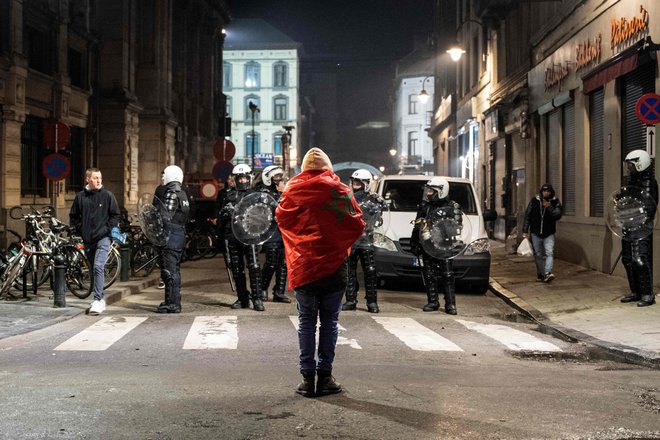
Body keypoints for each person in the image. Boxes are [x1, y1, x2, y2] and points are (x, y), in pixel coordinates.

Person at [276, 147, 364, 397]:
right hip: (334, 267)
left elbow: (281, 219)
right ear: (328, 167)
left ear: (304, 168)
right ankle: (325, 376)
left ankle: (307, 378)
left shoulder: (292, 190)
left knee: (306, 322)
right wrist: (335, 240)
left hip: (304, 266)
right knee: (329, 322)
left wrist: (302, 241)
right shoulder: (339, 190)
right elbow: (356, 222)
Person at [69, 168, 121, 315]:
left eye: (100, 178)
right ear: (88, 179)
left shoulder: (107, 196)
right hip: (88, 239)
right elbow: (74, 216)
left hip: (103, 238)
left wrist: (107, 230)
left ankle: (97, 300)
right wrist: (81, 230)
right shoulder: (80, 197)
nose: (99, 180)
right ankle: (101, 299)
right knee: (93, 268)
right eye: (95, 178)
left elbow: (115, 215)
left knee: (98, 266)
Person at [410, 177, 462, 315]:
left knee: (447, 275)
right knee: (429, 274)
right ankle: (433, 301)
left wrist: (443, 229)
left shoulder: (452, 207)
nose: (428, 193)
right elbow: (417, 225)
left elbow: (457, 228)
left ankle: (450, 304)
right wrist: (414, 241)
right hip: (428, 246)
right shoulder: (425, 207)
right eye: (428, 190)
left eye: (431, 191)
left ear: (441, 191)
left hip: (444, 246)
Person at [218, 164, 265, 311]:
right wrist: (225, 213)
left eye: (245, 177)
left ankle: (257, 299)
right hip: (233, 235)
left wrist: (238, 212)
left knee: (254, 266)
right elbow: (221, 217)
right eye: (240, 177)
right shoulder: (229, 194)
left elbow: (260, 216)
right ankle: (243, 298)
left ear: (249, 177)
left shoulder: (255, 194)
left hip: (250, 235)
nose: (243, 180)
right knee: (236, 268)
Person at [342, 169, 385, 313]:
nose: (355, 185)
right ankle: (350, 300)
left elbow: (379, 218)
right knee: (349, 271)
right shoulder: (348, 198)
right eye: (354, 182)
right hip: (351, 240)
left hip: (367, 240)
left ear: (366, 184)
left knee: (370, 271)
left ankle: (372, 302)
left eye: (358, 182)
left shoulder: (374, 199)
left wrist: (379, 204)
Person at [620, 150, 658, 307]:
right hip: (630, 224)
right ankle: (635, 291)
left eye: (631, 165)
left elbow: (647, 207)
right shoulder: (632, 182)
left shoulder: (649, 182)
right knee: (627, 259)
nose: (629, 168)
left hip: (641, 226)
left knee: (640, 259)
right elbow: (628, 201)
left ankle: (647, 294)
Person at [154, 165, 192, 313]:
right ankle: (173, 301)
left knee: (169, 272)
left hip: (169, 235)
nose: (162, 177)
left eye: (164, 175)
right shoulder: (183, 193)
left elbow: (165, 216)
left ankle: (172, 304)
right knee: (174, 270)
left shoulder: (170, 193)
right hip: (179, 234)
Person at [259, 165, 291, 303]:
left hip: (284, 233)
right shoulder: (263, 194)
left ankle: (279, 292)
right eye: (276, 177)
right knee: (271, 262)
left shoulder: (285, 193)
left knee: (283, 263)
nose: (280, 180)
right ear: (268, 178)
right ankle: (262, 289)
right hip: (271, 233)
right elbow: (261, 213)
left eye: (280, 177)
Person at [522, 183, 563, 283]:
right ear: (541, 192)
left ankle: (548, 272)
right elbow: (528, 215)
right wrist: (525, 230)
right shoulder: (534, 201)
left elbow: (557, 215)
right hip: (535, 232)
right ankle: (541, 274)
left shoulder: (555, 201)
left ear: (551, 192)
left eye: (548, 191)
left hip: (549, 233)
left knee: (549, 252)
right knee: (538, 254)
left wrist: (549, 207)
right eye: (544, 191)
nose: (546, 193)